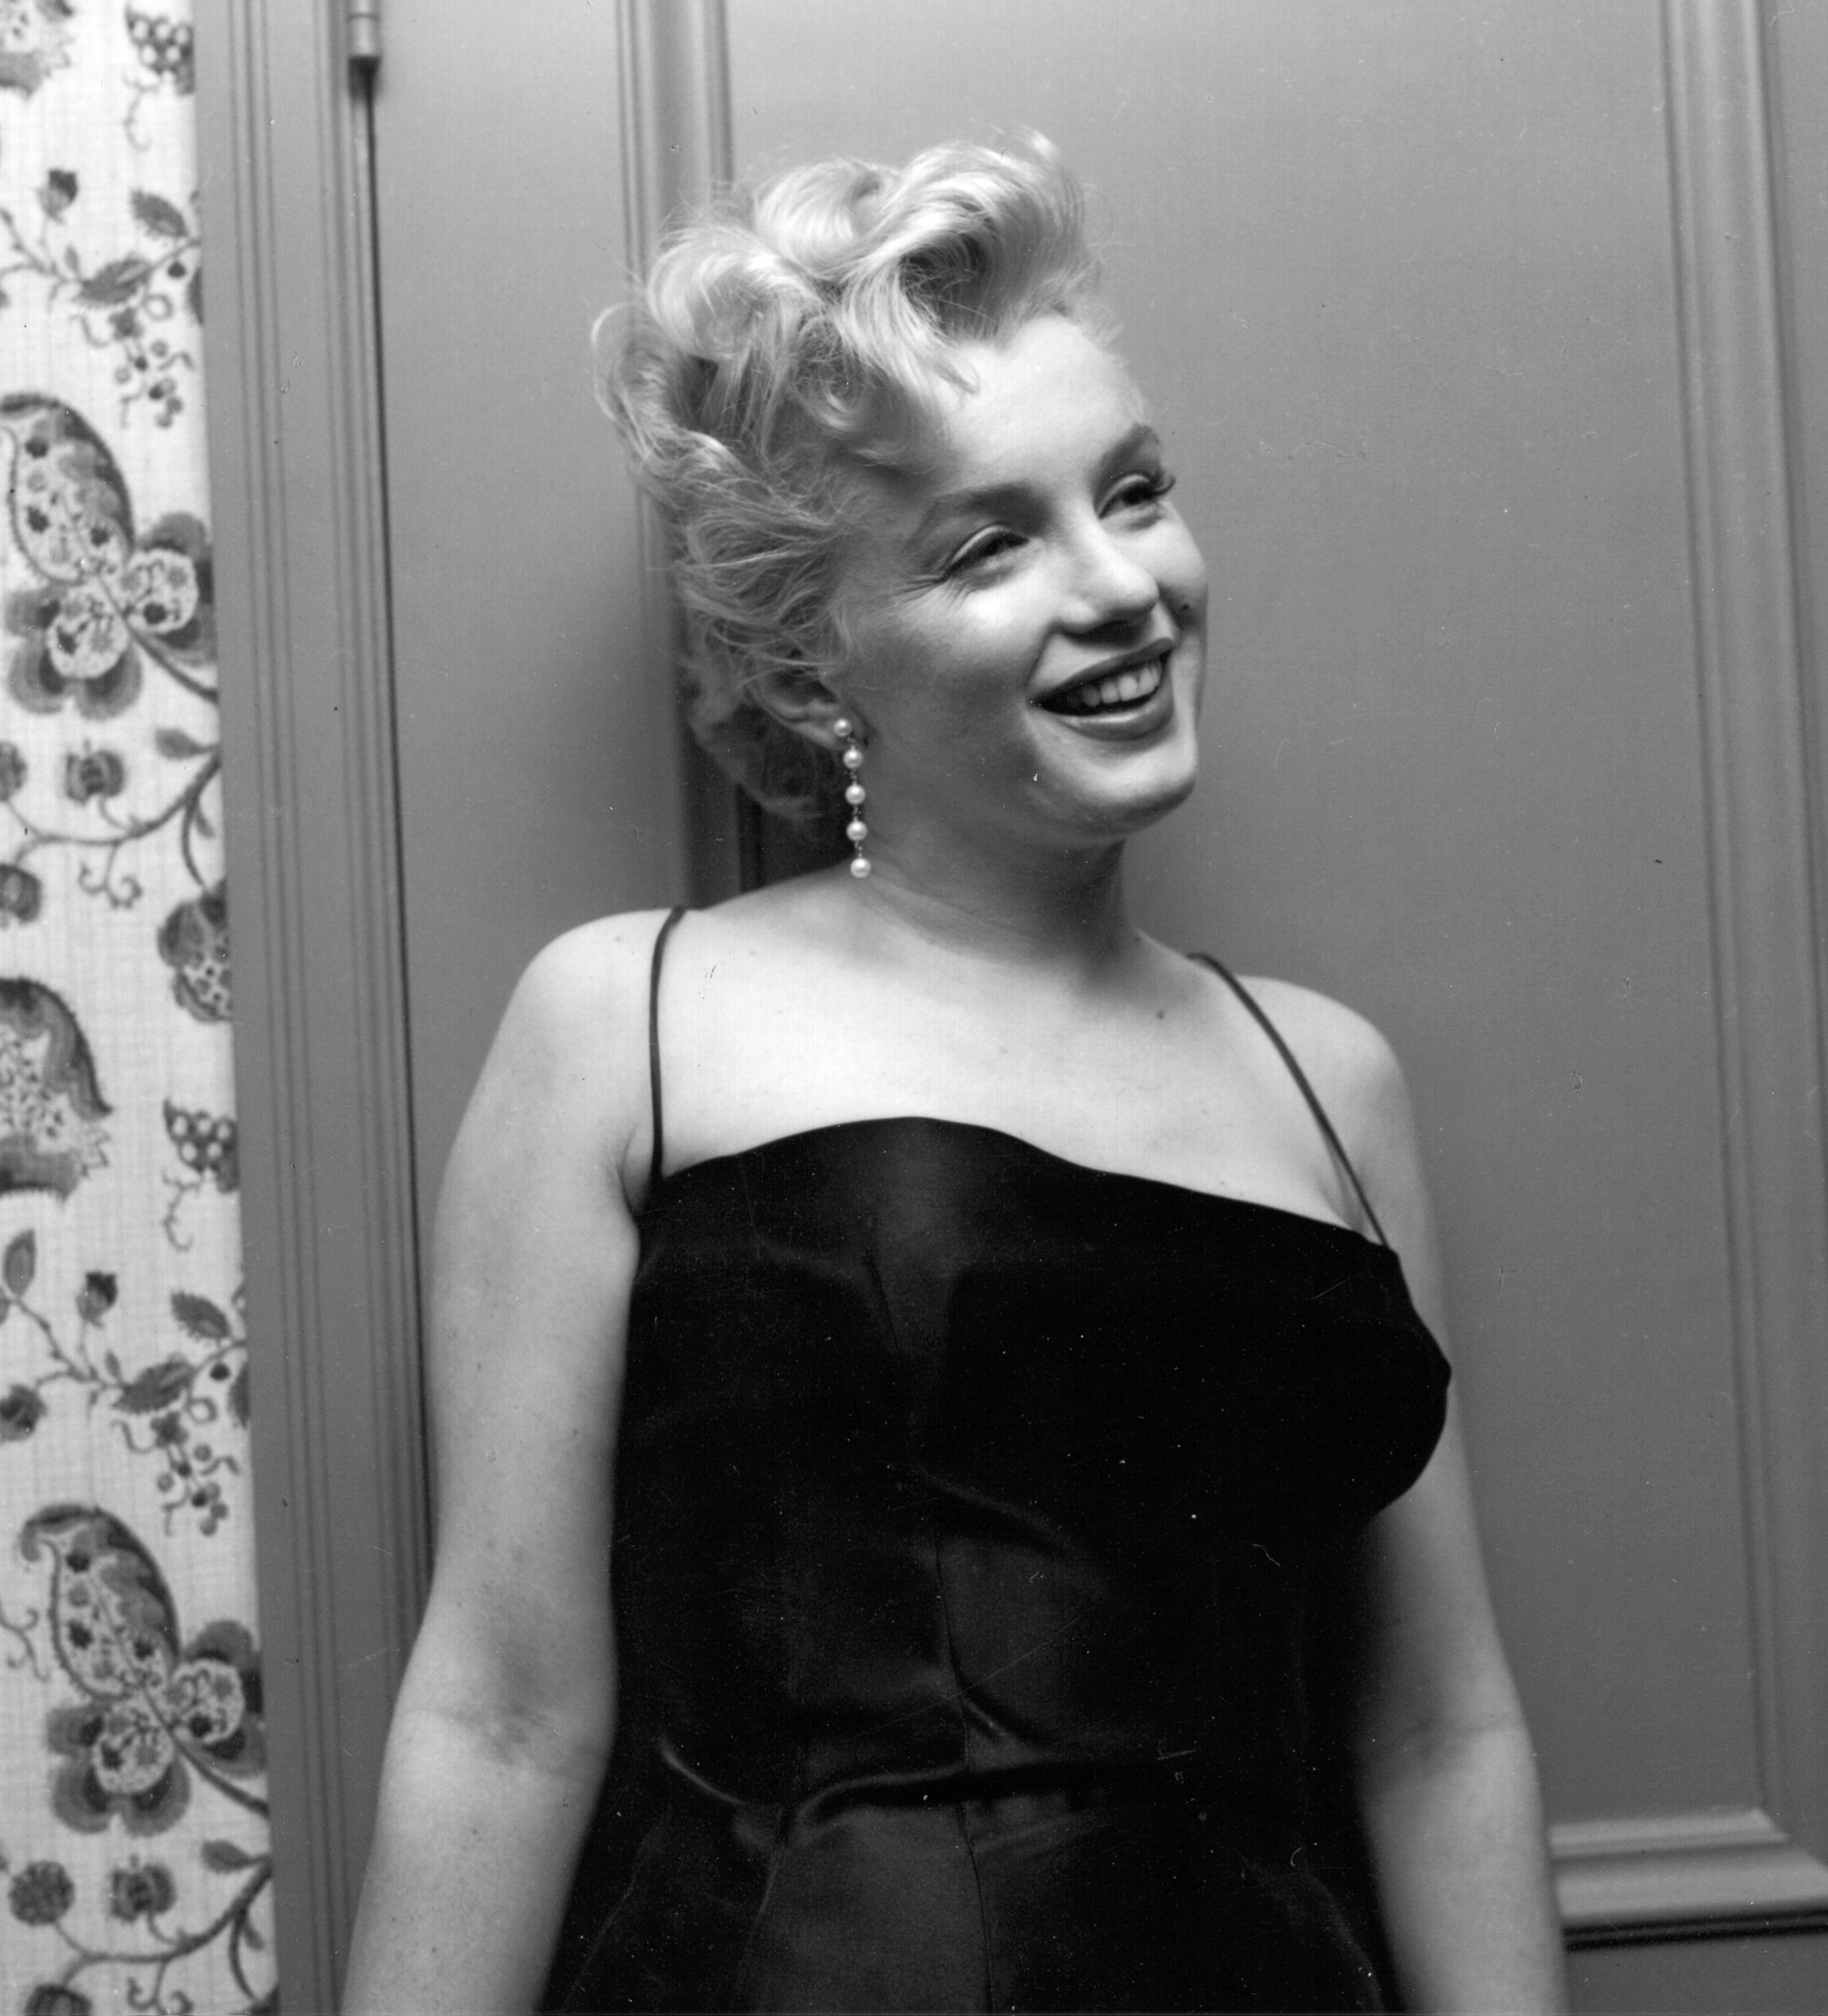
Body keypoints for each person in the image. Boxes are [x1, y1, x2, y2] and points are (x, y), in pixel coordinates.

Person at [342, 135, 1566, 2013]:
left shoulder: (1331, 1080)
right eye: (990, 545)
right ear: (813, 656)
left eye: (1133, 492)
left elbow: (1435, 1735)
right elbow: (500, 1717)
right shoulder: (626, 1022)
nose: (1124, 586)